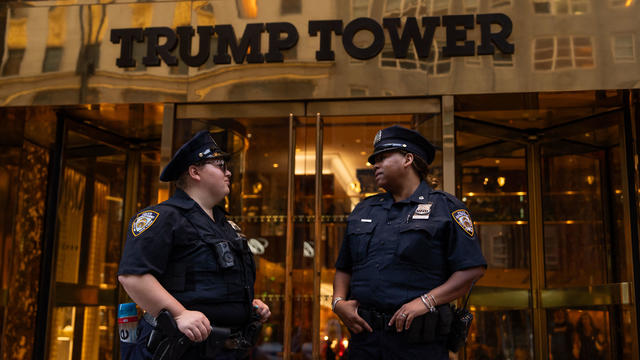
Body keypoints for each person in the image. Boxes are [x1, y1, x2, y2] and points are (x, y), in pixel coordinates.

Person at [331, 125, 486, 359]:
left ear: (408, 159)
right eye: (375, 160)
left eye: (383, 157)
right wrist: (338, 302)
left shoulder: (445, 208)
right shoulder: (364, 209)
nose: (375, 165)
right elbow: (344, 267)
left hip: (417, 344)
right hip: (364, 341)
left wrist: (425, 301)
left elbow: (472, 269)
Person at [118, 130, 271, 360]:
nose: (228, 172)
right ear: (194, 172)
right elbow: (132, 276)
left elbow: (214, 283)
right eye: (220, 165)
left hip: (227, 349)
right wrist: (179, 314)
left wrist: (247, 305)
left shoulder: (225, 225)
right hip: (181, 349)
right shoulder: (163, 217)